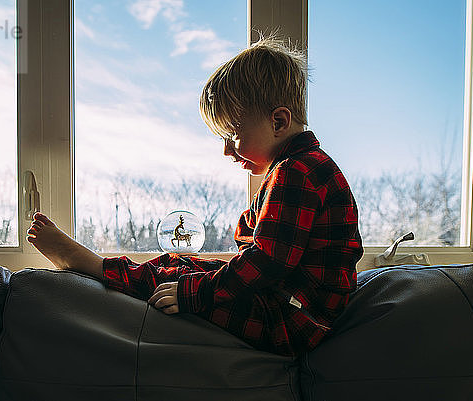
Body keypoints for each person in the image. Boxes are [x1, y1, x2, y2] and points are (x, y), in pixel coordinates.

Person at [26, 36, 363, 357]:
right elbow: (262, 244)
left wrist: (195, 294)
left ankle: (94, 266)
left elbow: (266, 261)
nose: (227, 150)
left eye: (232, 133)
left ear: (278, 121)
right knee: (184, 266)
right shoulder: (303, 168)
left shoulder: (295, 172)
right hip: (291, 307)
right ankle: (105, 267)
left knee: (179, 279)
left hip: (290, 321)